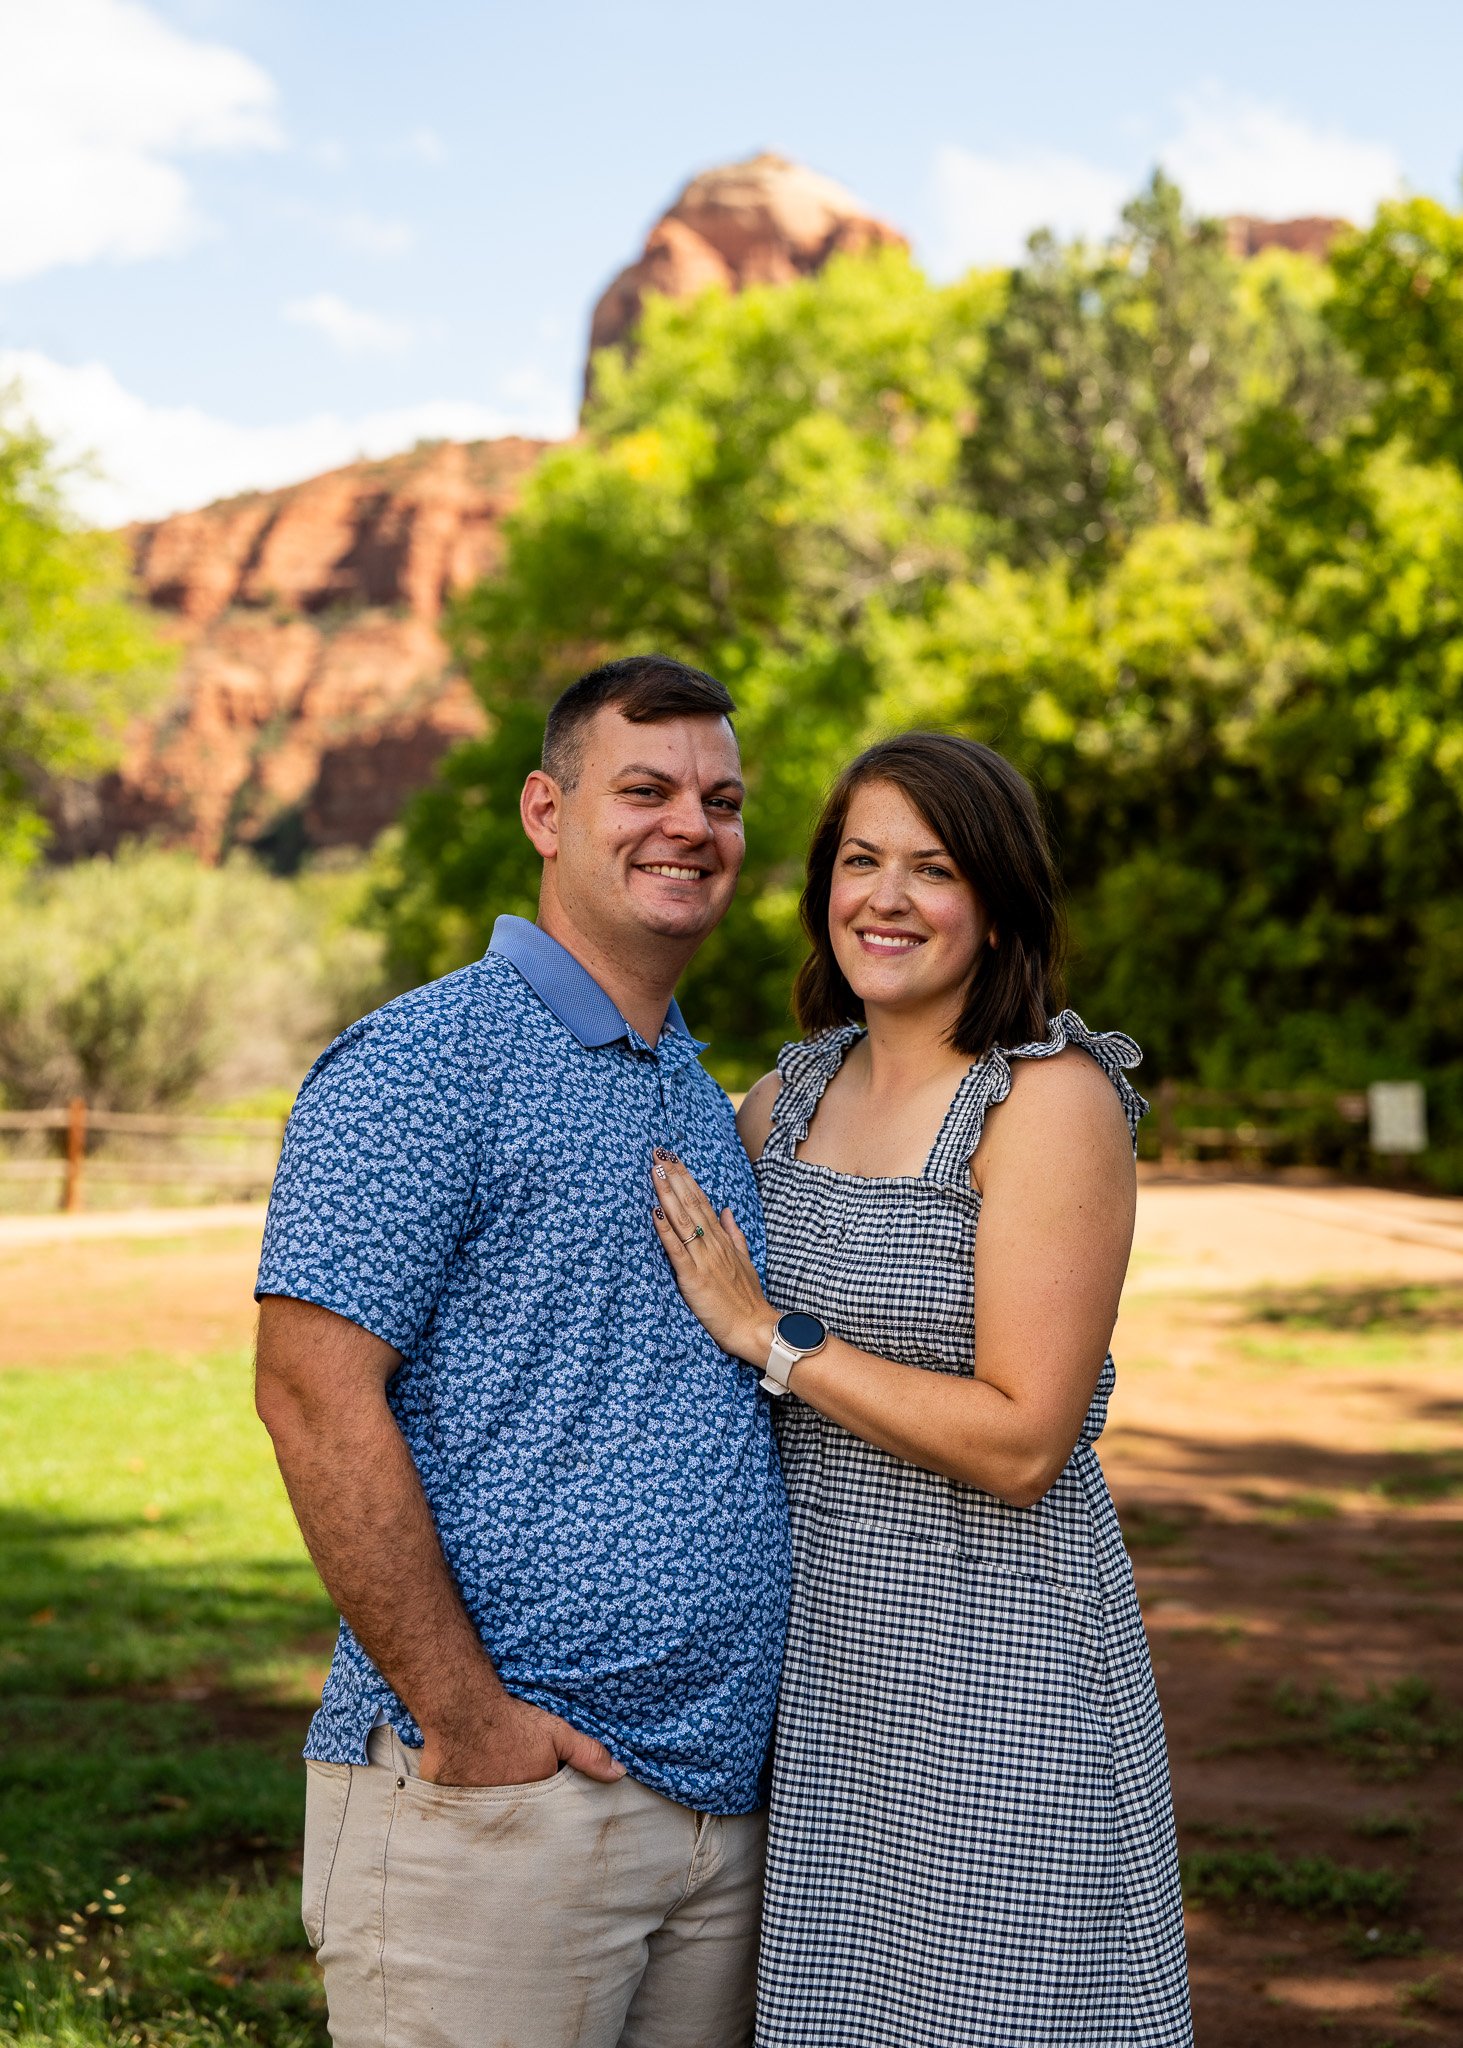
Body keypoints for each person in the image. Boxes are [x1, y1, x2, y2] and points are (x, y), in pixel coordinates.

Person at [254, 654, 789, 2048]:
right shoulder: (424, 1061)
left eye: (722, 800)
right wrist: (470, 1721)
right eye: (647, 789)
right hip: (494, 1805)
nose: (692, 824)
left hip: (717, 1817)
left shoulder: (687, 1080)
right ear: (546, 813)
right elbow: (311, 1395)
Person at [650, 732, 1193, 2048]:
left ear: (997, 901)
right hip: (817, 1658)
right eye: (859, 861)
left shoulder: (1046, 1102)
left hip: (999, 1645)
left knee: (998, 2009)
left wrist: (772, 1338)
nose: (884, 899)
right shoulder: (787, 1097)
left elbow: (1024, 1441)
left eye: (931, 869)